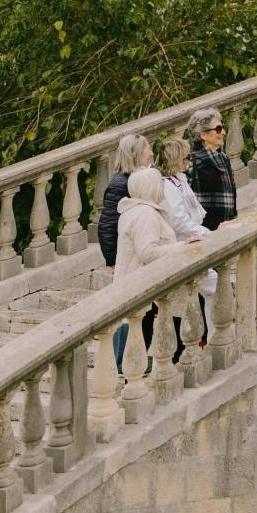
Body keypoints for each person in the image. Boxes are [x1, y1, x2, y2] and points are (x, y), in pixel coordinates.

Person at [97, 134, 156, 373]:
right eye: (147, 150)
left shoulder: (140, 180)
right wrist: (113, 261)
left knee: (145, 312)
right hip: (127, 260)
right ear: (135, 154)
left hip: (137, 258)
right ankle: (119, 362)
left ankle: (133, 358)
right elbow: (107, 225)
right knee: (126, 314)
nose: (151, 153)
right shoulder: (121, 184)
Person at [114, 168, 179, 378]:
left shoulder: (134, 211)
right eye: (160, 184)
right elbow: (147, 252)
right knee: (139, 336)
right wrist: (181, 247)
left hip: (134, 282)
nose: (163, 188)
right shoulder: (145, 214)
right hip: (141, 284)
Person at [158, 137, 217, 356]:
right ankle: (210, 341)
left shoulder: (180, 179)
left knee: (211, 286)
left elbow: (194, 211)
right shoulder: (166, 185)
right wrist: (205, 233)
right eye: (186, 157)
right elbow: (179, 221)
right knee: (210, 285)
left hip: (192, 238)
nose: (189, 160)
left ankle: (210, 338)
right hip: (181, 243)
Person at [186, 107, 238, 231]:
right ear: (203, 134)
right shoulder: (191, 161)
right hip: (205, 234)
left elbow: (231, 197)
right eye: (218, 129)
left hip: (228, 228)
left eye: (222, 128)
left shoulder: (224, 158)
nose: (224, 132)